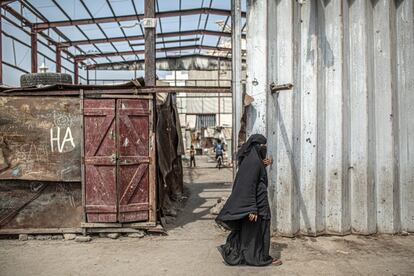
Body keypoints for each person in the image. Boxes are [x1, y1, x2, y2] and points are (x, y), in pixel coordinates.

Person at [216, 134, 282, 266]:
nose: (264, 148)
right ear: (256, 146)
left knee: (256, 230)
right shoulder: (253, 162)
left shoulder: (253, 159)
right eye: (262, 146)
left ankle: (253, 255)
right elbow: (249, 186)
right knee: (258, 230)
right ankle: (258, 258)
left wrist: (265, 164)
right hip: (256, 204)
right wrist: (252, 208)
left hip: (258, 202)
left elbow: (256, 178)